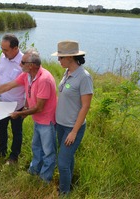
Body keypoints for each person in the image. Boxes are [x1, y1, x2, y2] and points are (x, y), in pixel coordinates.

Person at [0, 48, 57, 182]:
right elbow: (7, 86)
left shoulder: (44, 79)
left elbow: (39, 107)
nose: (20, 65)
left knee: (48, 151)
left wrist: (19, 113)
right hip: (38, 119)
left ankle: (44, 180)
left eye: (23, 62)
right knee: (36, 147)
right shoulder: (27, 75)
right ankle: (34, 171)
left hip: (47, 121)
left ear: (31, 65)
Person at [51, 40, 93, 195]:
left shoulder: (84, 77)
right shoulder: (67, 72)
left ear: (70, 57)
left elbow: (85, 106)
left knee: (62, 163)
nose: (58, 60)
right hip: (60, 125)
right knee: (67, 159)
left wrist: (74, 132)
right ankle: (69, 182)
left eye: (61, 57)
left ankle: (64, 193)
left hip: (72, 127)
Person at [0, 34, 25, 164]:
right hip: (2, 102)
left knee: (16, 131)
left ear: (15, 48)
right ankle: (1, 151)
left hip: (16, 105)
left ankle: (14, 156)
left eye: (6, 50)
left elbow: (29, 85)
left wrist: (26, 106)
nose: (3, 52)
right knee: (1, 128)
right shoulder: (3, 57)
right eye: (2, 49)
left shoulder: (24, 62)